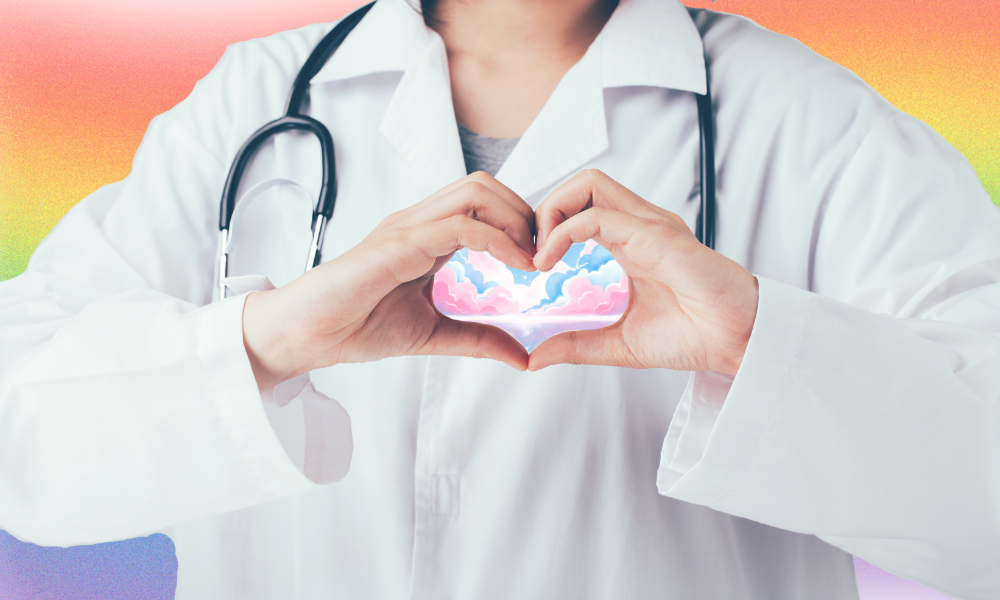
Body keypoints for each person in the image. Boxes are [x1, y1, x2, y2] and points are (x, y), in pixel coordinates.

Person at [1, 0, 998, 597]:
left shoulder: (810, 126)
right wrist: (263, 341)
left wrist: (762, 344)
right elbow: (21, 436)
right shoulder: (251, 103)